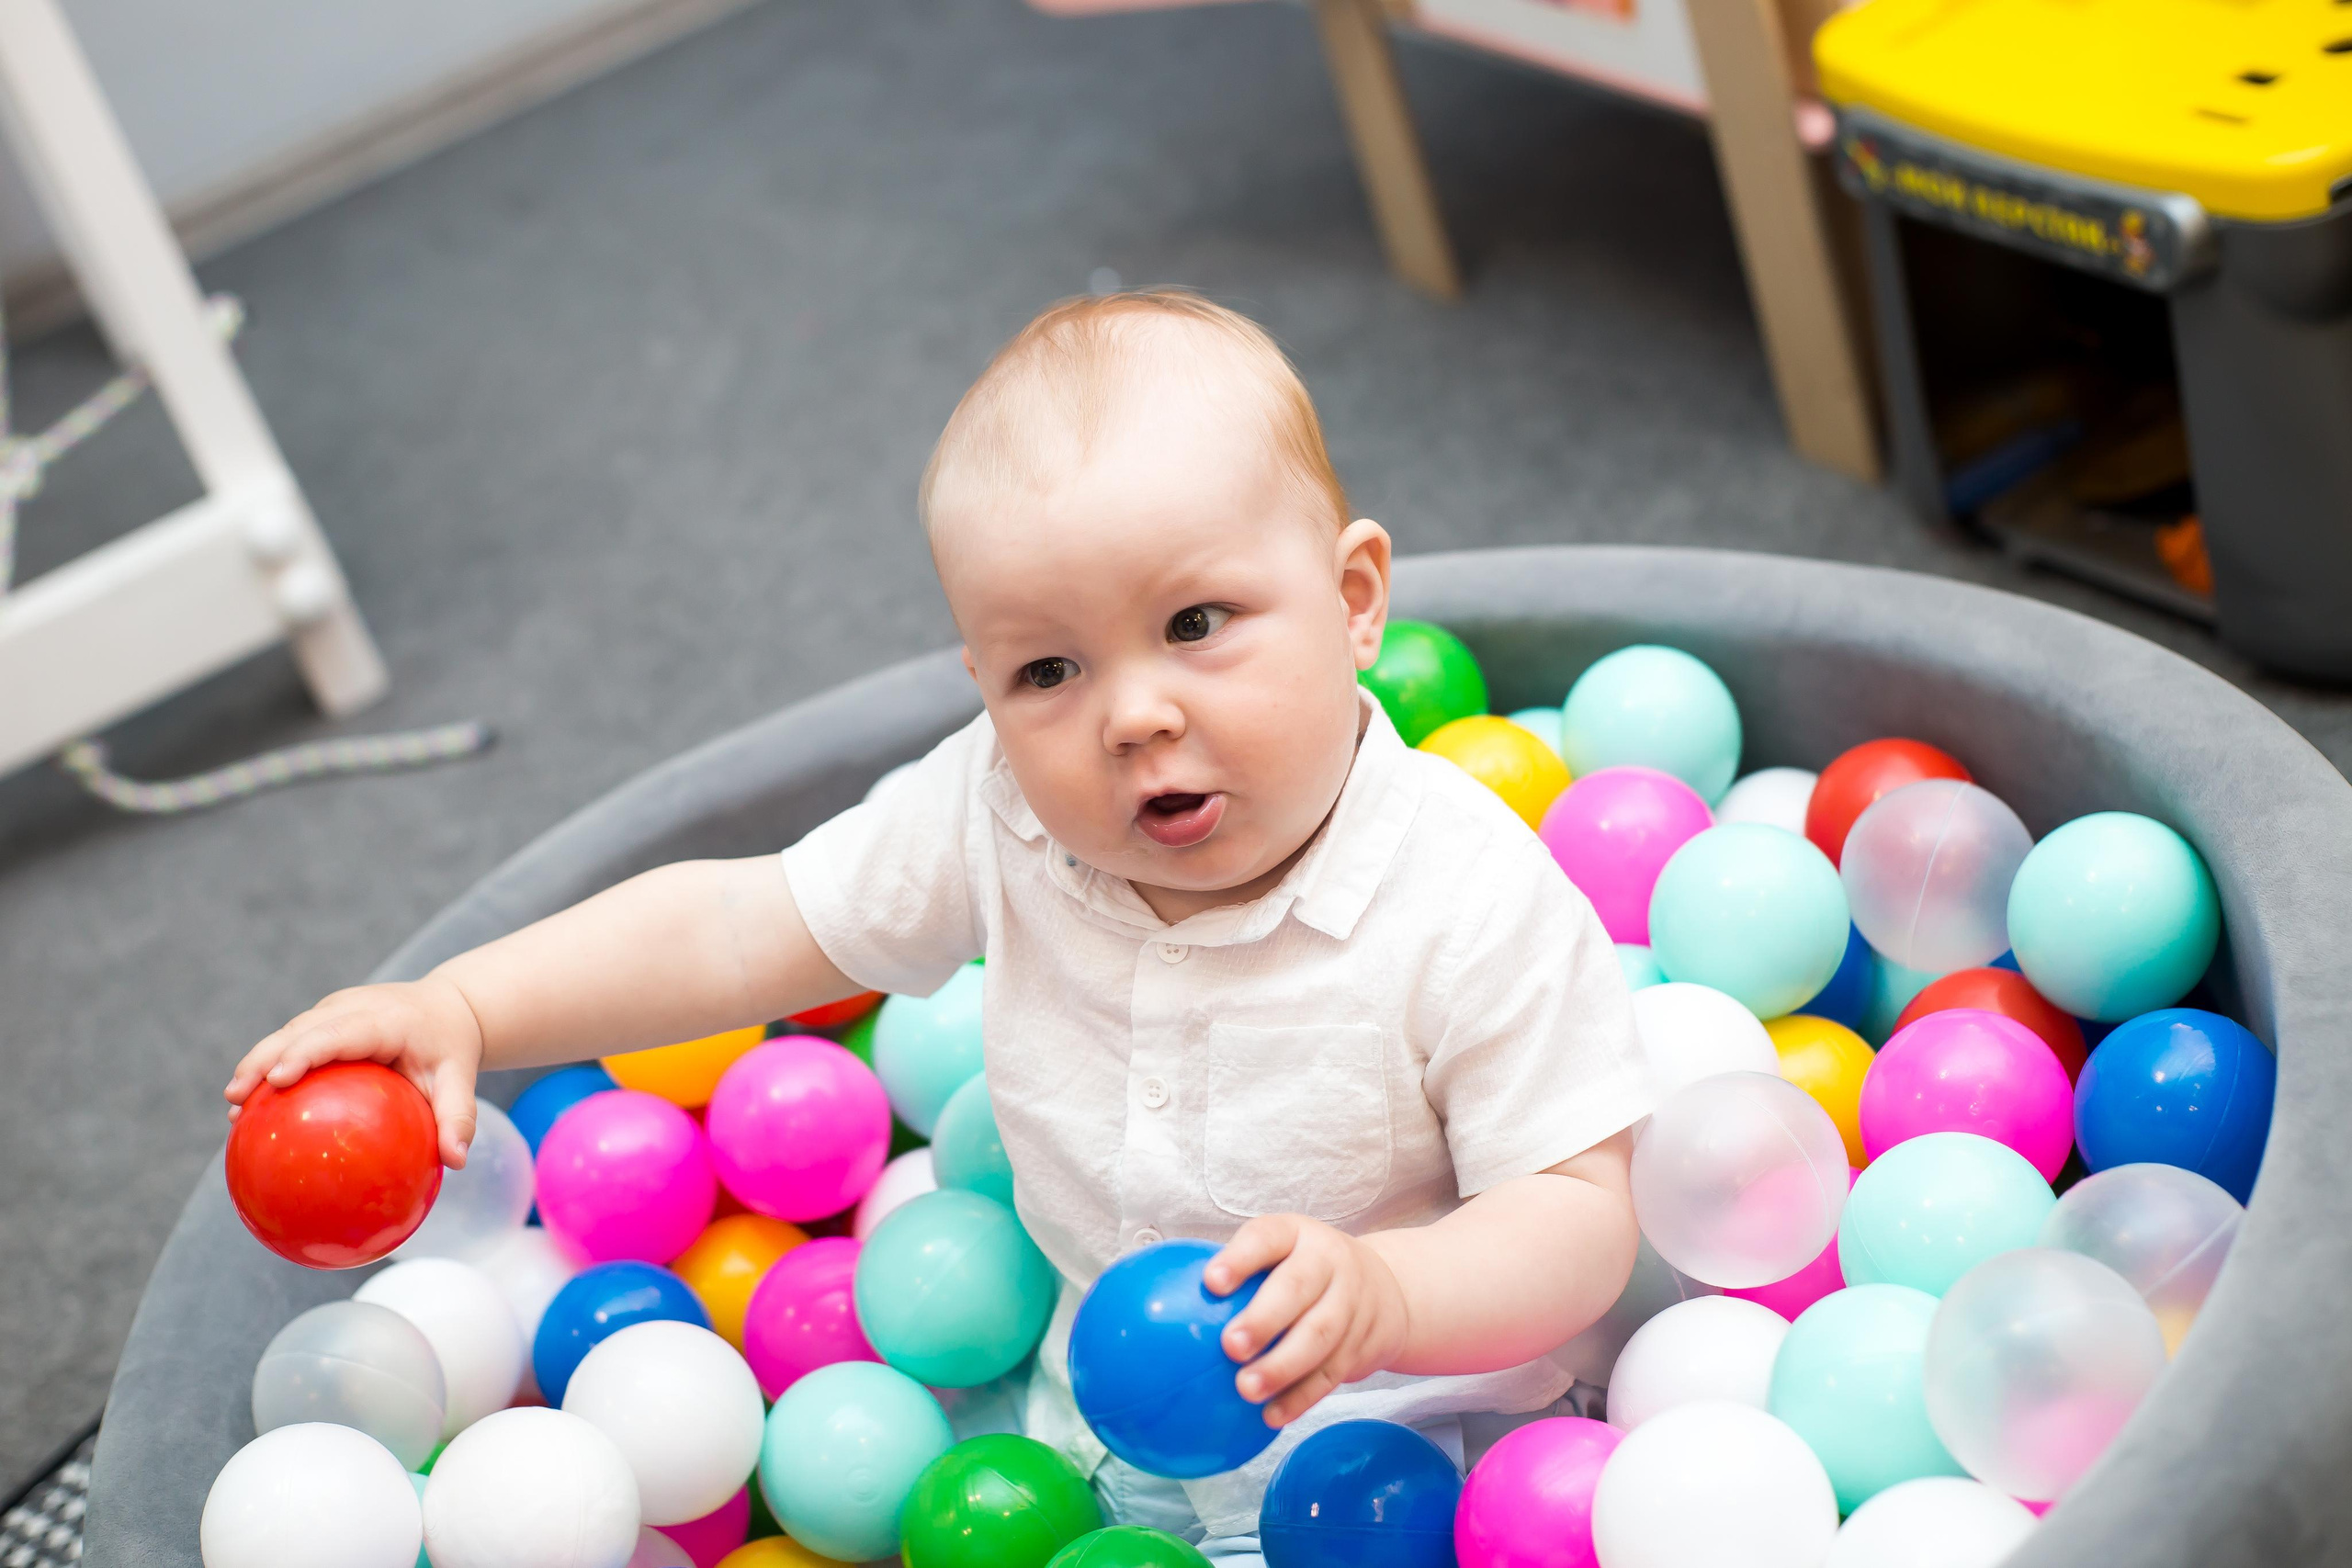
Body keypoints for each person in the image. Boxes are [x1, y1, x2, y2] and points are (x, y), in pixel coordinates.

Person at [227, 289, 1650, 1561]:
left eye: (1200, 622)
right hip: (1109, 1429)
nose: (1134, 711)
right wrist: (468, 1008)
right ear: (980, 686)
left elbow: (1580, 1217)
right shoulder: (1001, 811)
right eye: (1048, 669)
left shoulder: (1469, 897)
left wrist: (1385, 1295)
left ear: (1353, 605)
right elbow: (737, 928)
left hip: (1418, 1455)